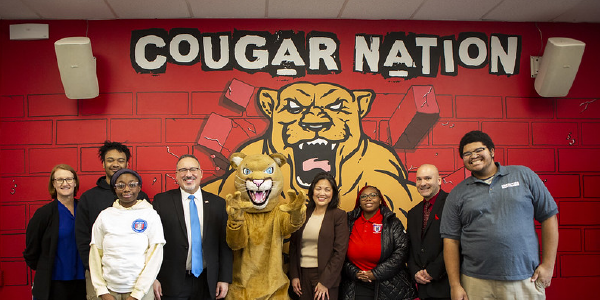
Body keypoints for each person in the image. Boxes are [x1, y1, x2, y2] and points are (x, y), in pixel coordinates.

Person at [440, 130, 559, 300]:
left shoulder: (523, 176)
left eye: (478, 150)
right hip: (475, 282)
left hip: (523, 279)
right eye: (467, 154)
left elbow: (549, 217)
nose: (473, 156)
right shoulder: (457, 194)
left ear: (492, 151)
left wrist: (548, 265)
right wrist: (455, 285)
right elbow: (450, 240)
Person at [76, 141, 150, 300]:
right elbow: (82, 238)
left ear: (127, 163)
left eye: (120, 160)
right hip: (100, 278)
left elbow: (150, 240)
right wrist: (95, 272)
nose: (115, 164)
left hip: (135, 279)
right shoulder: (89, 198)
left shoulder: (141, 197)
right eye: (110, 160)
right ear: (103, 163)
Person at [152, 154, 232, 300]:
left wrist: (224, 278)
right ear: (176, 175)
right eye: (183, 170)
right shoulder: (161, 202)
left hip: (208, 282)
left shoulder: (218, 203)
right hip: (172, 282)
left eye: (193, 169)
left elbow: (224, 244)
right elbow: (152, 243)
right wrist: (153, 278)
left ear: (201, 173)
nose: (188, 174)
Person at [89, 169, 165, 300]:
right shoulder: (105, 216)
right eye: (120, 185)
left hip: (141, 293)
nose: (126, 189)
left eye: (132, 184)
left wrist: (137, 294)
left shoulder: (150, 215)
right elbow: (95, 255)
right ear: (114, 189)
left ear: (139, 187)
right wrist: (102, 291)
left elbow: (155, 256)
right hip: (109, 291)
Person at [340, 185, 416, 300]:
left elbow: (401, 251)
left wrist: (375, 274)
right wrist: (355, 272)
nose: (368, 198)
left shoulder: (392, 223)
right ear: (359, 202)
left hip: (388, 284)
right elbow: (339, 253)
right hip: (355, 284)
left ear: (380, 200)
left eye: (373, 195)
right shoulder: (349, 221)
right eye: (363, 196)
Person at [23, 164, 86, 300]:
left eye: (69, 179)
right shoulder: (44, 214)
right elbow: (31, 251)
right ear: (53, 184)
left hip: (83, 281)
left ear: (75, 182)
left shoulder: (84, 209)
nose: (65, 183)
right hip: (54, 282)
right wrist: (44, 268)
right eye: (60, 180)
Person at [289, 172, 349, 300]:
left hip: (325, 277)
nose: (322, 193)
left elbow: (340, 252)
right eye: (318, 189)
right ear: (312, 191)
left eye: (327, 190)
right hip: (302, 275)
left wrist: (325, 282)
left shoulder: (339, 215)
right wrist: (294, 276)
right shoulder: (303, 213)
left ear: (333, 193)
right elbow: (293, 246)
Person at [406, 164, 450, 300]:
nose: (422, 183)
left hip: (447, 284)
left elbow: (458, 242)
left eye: (427, 178)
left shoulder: (452, 204)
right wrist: (415, 272)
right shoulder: (413, 213)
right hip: (423, 287)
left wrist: (433, 271)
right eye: (419, 179)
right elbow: (410, 247)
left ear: (439, 180)